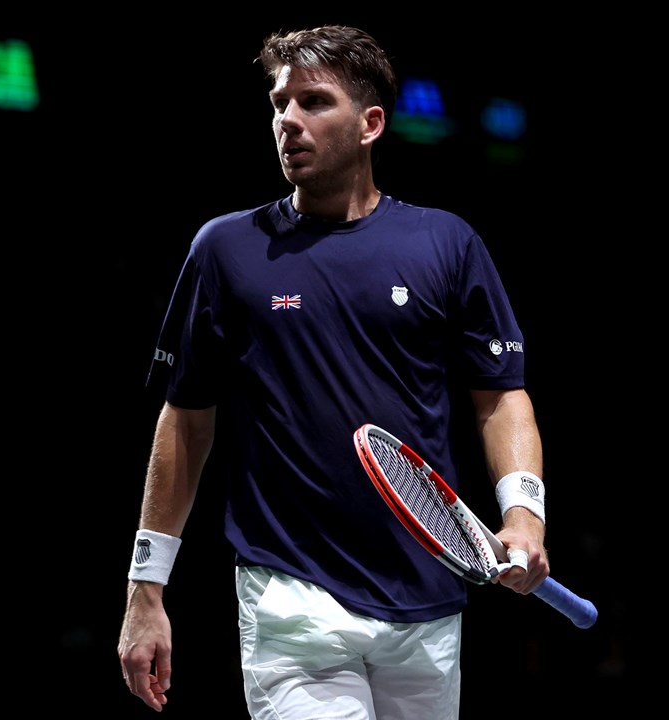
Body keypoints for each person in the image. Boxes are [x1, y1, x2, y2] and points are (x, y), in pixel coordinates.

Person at [118, 24, 550, 719]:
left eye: (313, 102)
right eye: (279, 103)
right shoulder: (225, 250)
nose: (287, 120)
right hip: (292, 596)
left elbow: (500, 399)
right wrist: (146, 589)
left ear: (371, 123)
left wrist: (524, 516)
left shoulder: (446, 243)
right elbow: (187, 422)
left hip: (429, 599)